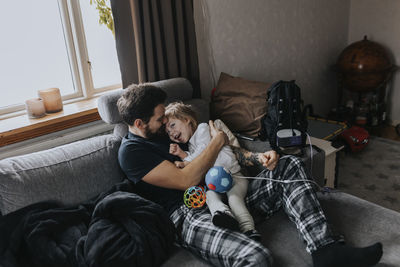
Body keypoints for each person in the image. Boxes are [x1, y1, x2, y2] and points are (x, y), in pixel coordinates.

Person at [117, 83, 383, 267]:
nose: (166, 123)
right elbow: (187, 180)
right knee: (256, 258)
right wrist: (217, 141)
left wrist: (258, 157)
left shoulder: (170, 130)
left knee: (289, 165)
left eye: (167, 118)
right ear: (139, 124)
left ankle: (327, 250)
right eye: (160, 118)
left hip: (230, 187)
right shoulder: (132, 152)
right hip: (191, 211)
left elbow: (230, 155)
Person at [165, 102, 260, 240]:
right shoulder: (191, 145)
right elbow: (198, 160)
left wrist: (184, 162)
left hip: (234, 176)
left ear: (187, 119)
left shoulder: (203, 129)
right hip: (213, 183)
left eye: (172, 125)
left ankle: (249, 230)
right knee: (210, 198)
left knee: (234, 199)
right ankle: (224, 215)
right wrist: (181, 154)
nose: (171, 133)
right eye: (167, 132)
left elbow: (203, 150)